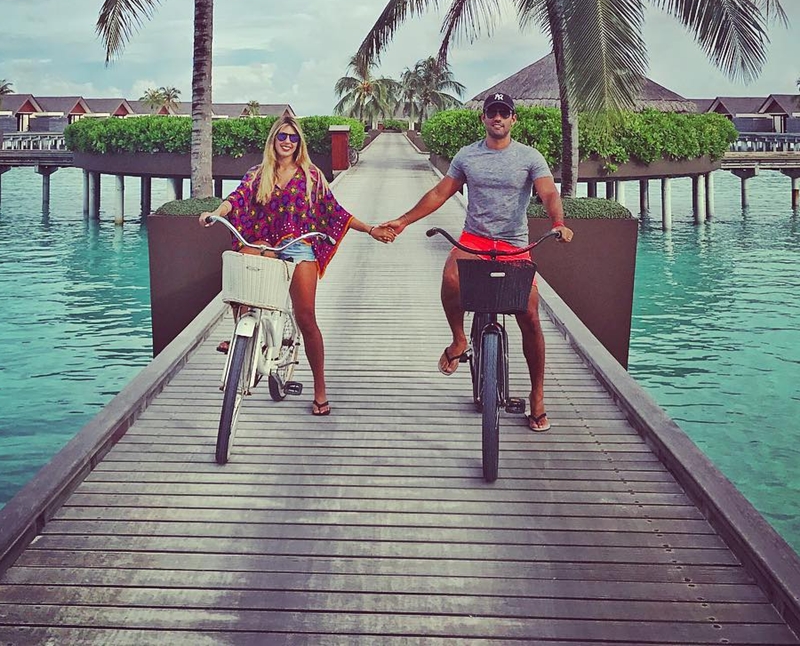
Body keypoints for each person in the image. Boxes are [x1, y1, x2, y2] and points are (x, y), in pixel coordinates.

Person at [379, 92, 573, 432]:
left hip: (513, 243)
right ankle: (459, 339)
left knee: (529, 313)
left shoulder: (529, 157)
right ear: (483, 118)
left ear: (513, 120)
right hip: (475, 239)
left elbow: (548, 193)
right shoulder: (468, 156)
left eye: (504, 113)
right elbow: (441, 193)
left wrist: (558, 222)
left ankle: (538, 394)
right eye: (491, 113)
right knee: (451, 278)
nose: (497, 118)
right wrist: (404, 220)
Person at [201, 115, 394, 416]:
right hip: (264, 243)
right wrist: (216, 211)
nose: (287, 142)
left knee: (306, 318)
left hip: (300, 246)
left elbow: (336, 212)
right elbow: (236, 199)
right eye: (282, 137)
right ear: (273, 141)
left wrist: (371, 229)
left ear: (299, 142)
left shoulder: (312, 176)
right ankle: (244, 335)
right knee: (242, 272)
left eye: (293, 137)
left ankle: (319, 388)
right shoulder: (258, 173)